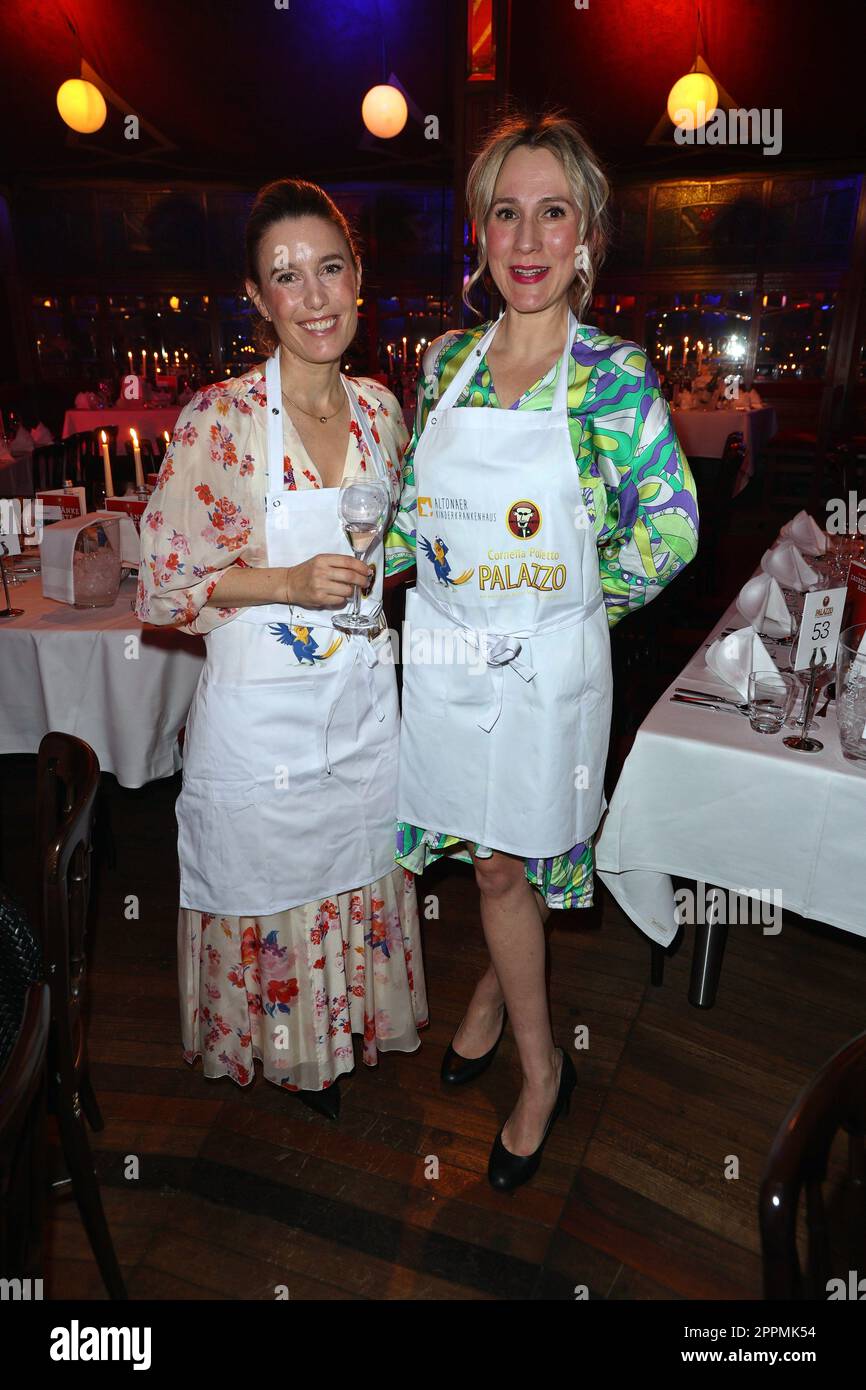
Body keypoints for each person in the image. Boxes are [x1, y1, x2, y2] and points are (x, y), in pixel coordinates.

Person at [394, 112, 699, 1191]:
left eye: (551, 212)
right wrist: (349, 562)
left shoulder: (613, 381)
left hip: (540, 675)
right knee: (489, 862)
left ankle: (540, 1073)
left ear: (586, 237)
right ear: (480, 232)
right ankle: (491, 993)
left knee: (499, 863)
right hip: (442, 664)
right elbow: (414, 516)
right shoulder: (445, 367)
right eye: (505, 212)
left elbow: (670, 530)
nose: (526, 238)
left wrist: (570, 605)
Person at [136, 179, 427, 1118]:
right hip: (261, 722)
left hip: (358, 708)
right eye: (286, 278)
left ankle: (340, 1037)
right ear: (257, 300)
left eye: (329, 269)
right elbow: (165, 579)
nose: (314, 298)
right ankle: (292, 1050)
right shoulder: (218, 422)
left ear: (357, 278)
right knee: (271, 881)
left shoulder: (384, 411)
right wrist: (288, 583)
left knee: (353, 863)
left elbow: (412, 545)